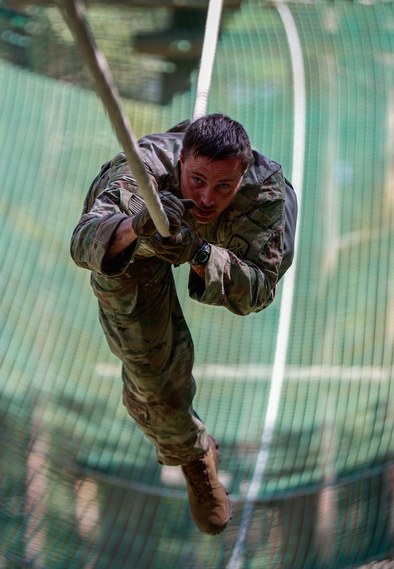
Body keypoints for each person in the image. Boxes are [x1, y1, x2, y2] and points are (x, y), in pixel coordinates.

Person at [70, 113, 298, 535]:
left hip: (217, 246)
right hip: (137, 238)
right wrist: (136, 228)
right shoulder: (142, 171)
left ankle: (185, 448)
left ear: (242, 176)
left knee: (243, 267)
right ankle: (194, 455)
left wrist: (198, 254)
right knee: (147, 370)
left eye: (223, 186)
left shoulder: (266, 193)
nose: (208, 198)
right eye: (197, 181)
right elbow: (84, 242)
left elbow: (257, 292)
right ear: (179, 166)